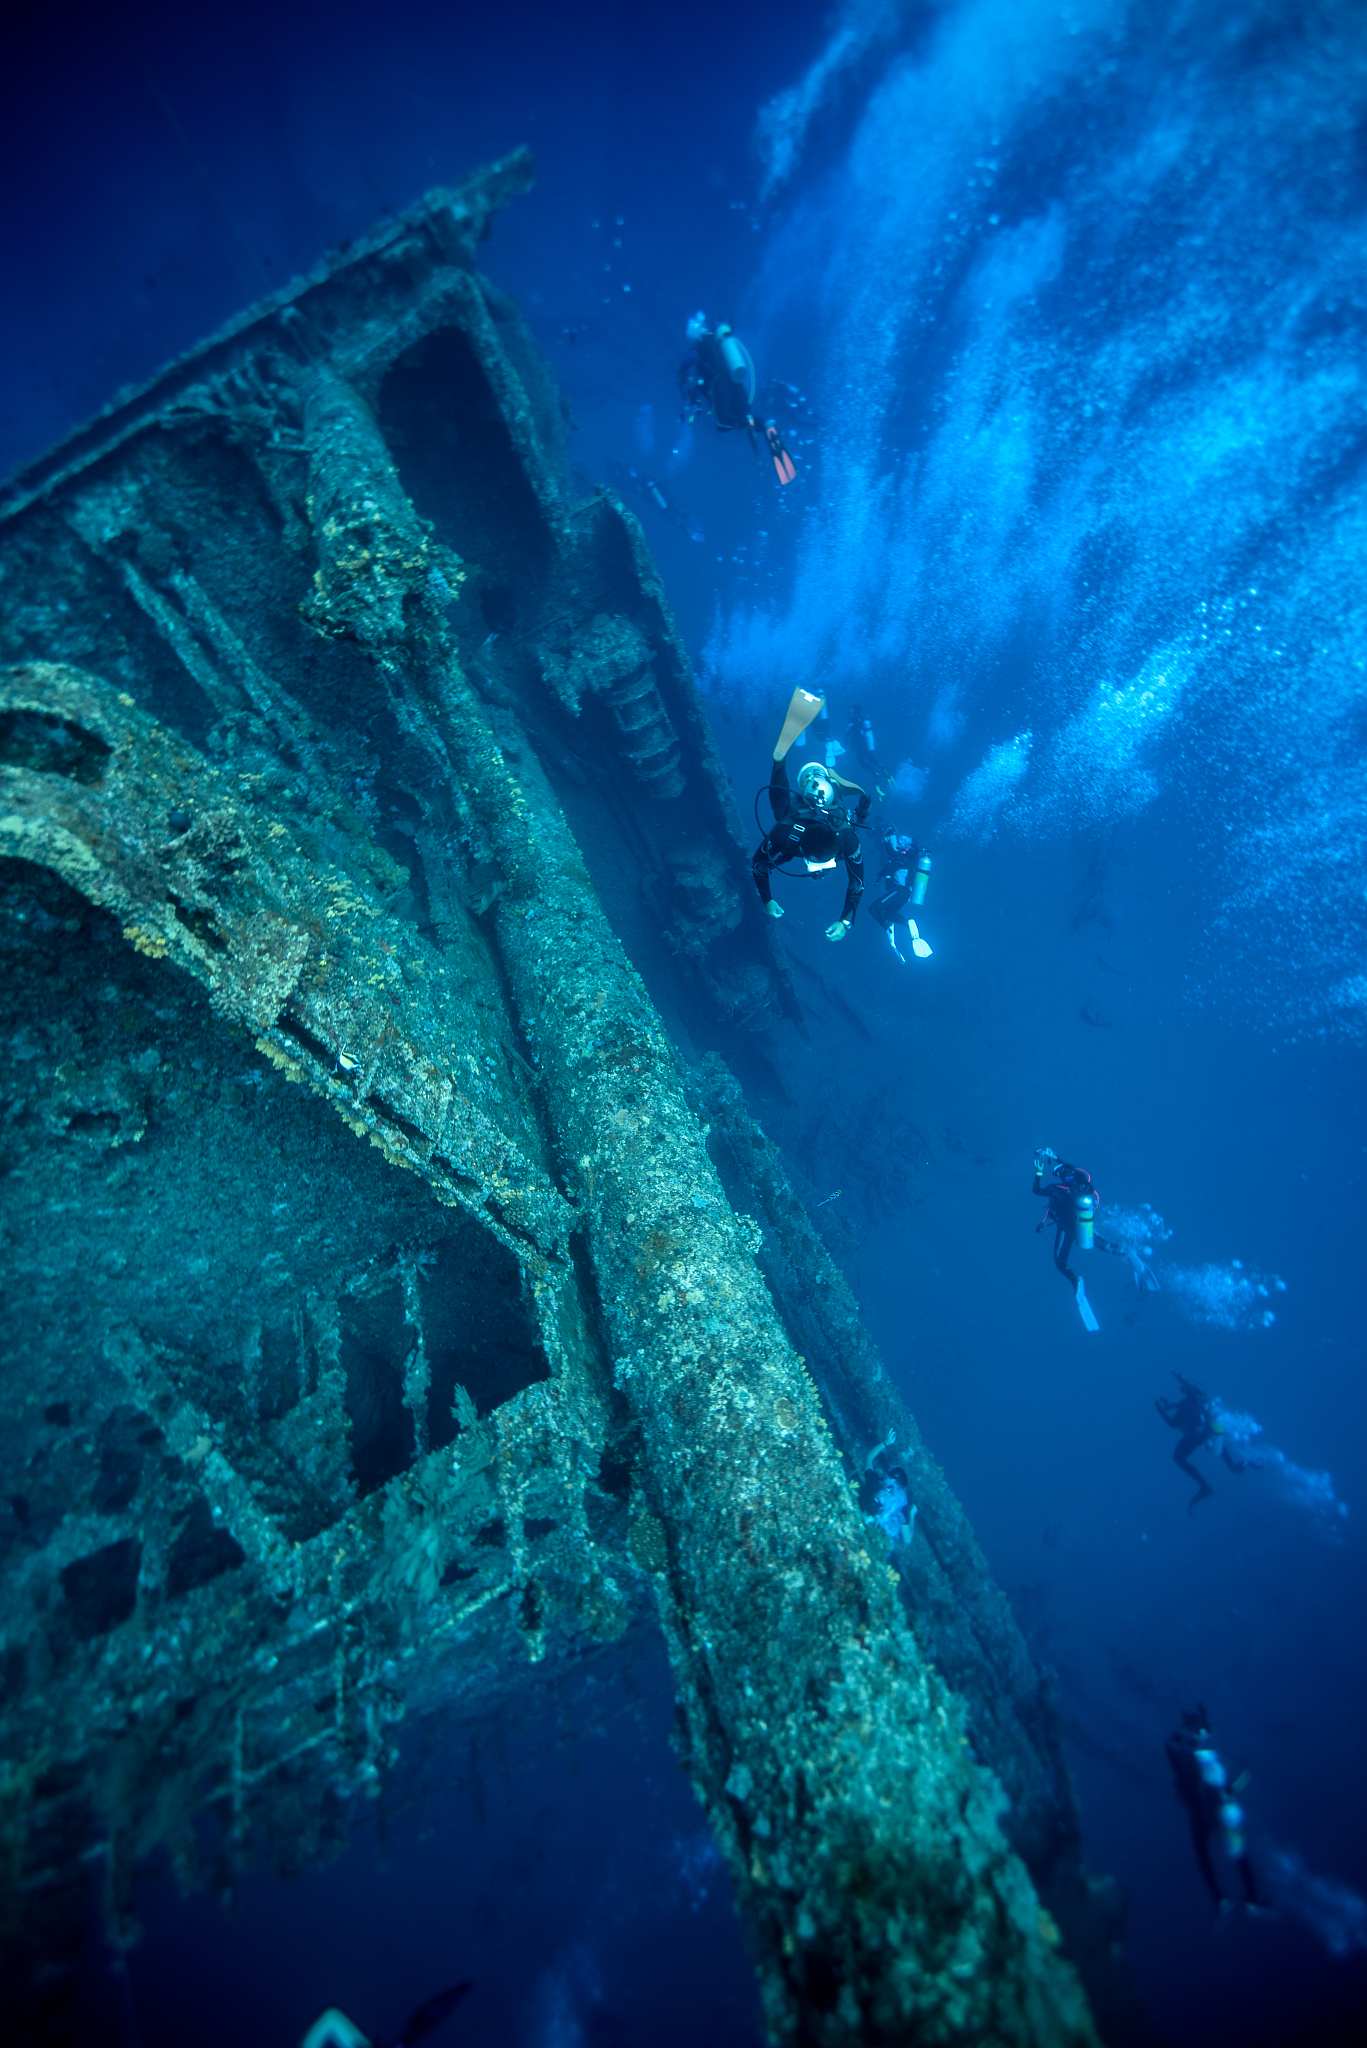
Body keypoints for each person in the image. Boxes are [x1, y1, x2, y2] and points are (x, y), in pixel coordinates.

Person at [753, 751, 870, 942]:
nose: (820, 869)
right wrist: (766, 899)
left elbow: (858, 883)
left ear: (837, 848)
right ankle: (785, 763)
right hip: (798, 826)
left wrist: (846, 922)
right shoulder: (785, 833)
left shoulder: (847, 839)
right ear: (802, 849)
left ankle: (826, 780)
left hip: (833, 818)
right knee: (781, 810)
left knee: (839, 809)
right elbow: (758, 862)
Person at [678, 313, 796, 483]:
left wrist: (681, 373)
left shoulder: (702, 344)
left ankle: (748, 423)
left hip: (720, 382)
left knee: (722, 421)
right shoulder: (722, 345)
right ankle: (767, 425)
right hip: (737, 383)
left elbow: (685, 364)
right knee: (738, 420)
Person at [1166, 1707, 1261, 1913]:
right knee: (1236, 1853)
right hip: (1216, 1811)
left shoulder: (1185, 1754)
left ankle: (1221, 1897)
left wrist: (1187, 1730)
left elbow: (1171, 1747)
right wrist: (1231, 1790)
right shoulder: (1206, 1755)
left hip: (1203, 1814)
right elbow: (1243, 1770)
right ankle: (1250, 1897)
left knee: (1205, 1856)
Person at [1032, 1147, 1126, 1330]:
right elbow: (1073, 1170)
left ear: (1060, 1176)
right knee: (1101, 1243)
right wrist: (1055, 1156)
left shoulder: (1055, 1189)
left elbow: (1036, 1190)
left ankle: (1076, 1281)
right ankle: (1123, 1251)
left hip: (1066, 1230)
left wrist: (1038, 1172)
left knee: (1060, 1261)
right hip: (1081, 1225)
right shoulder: (1082, 1186)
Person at [1155, 1372, 1249, 1512]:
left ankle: (1205, 1486)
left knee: (1178, 1457)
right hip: (1205, 1432)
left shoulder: (1184, 1407)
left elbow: (1172, 1423)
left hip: (1193, 1438)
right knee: (1214, 1436)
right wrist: (1181, 1381)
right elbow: (1193, 1393)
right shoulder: (1198, 1401)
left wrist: (1159, 1409)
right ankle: (1233, 1466)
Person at [869, 827, 932, 961]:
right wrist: (887, 842)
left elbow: (893, 863)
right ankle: (907, 923)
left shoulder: (908, 857)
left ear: (910, 846)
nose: (901, 842)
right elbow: (893, 854)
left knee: (874, 908)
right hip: (904, 893)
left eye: (905, 841)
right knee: (888, 913)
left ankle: (887, 927)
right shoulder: (909, 857)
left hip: (900, 891)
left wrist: (881, 874)